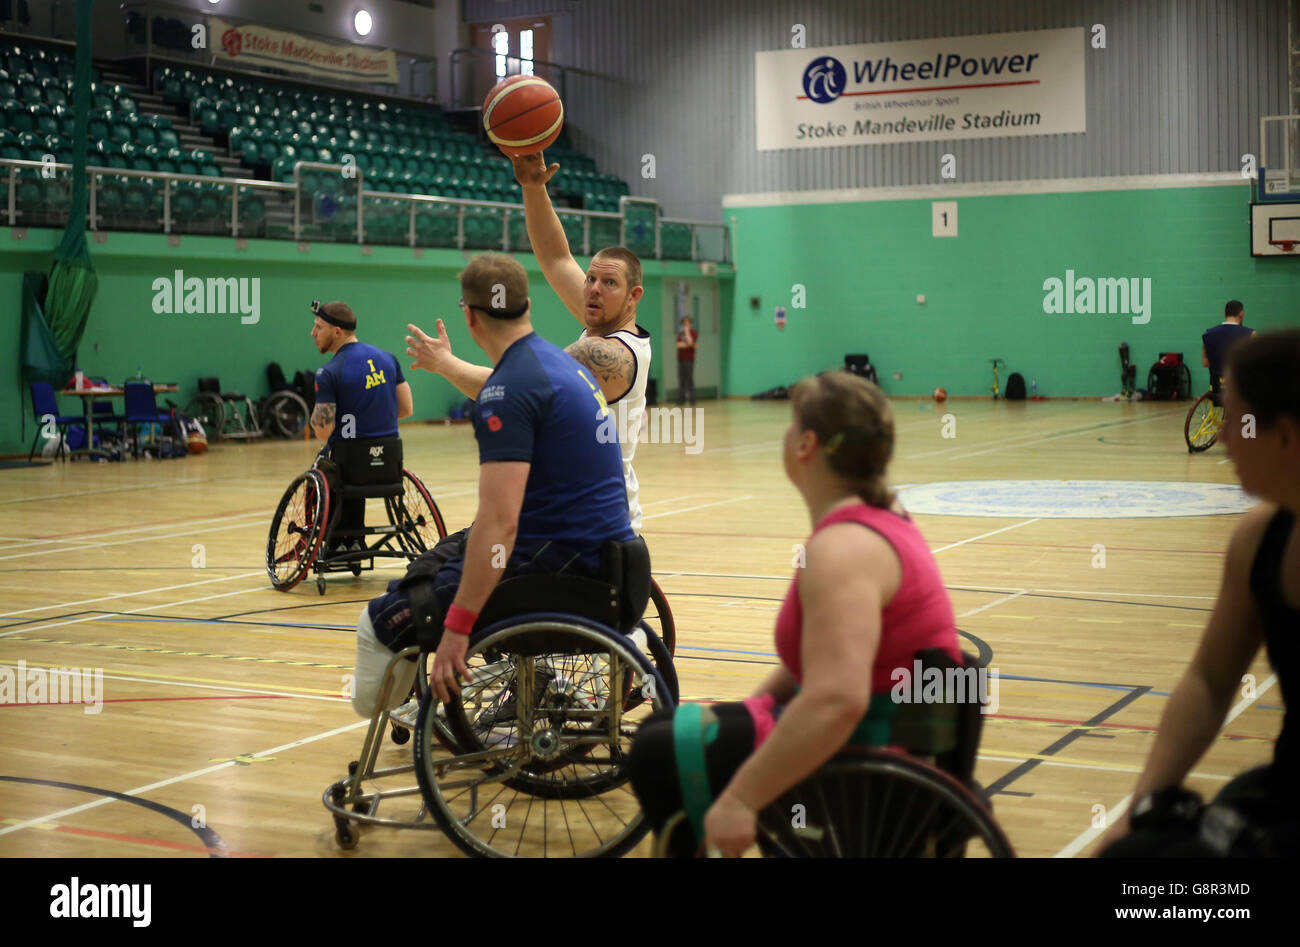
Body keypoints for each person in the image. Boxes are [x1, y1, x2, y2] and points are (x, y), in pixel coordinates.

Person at [626, 371, 962, 857]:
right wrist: (744, 709)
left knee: (657, 755)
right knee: (666, 730)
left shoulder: (845, 549)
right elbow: (814, 662)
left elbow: (838, 700)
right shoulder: (877, 514)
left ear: (806, 444)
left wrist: (741, 798)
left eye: (790, 427)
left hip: (871, 748)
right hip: (881, 725)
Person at [350, 253, 636, 717]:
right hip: (600, 553)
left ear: (469, 315)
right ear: (526, 306)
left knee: (379, 621)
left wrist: (459, 627)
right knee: (424, 568)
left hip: (562, 565)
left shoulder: (509, 390)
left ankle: (388, 710)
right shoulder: (567, 365)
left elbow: (500, 524)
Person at [1096, 329, 1300, 858]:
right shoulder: (1259, 539)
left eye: (1238, 420)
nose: (1223, 436)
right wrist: (1137, 807)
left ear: (1287, 434)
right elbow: (1209, 681)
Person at [407, 152, 652, 533]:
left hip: (585, 520)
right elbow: (556, 257)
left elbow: (509, 390)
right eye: (591, 279)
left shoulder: (607, 353)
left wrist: (445, 363)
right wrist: (534, 188)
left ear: (633, 296)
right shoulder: (601, 320)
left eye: (609, 283)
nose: (593, 289)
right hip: (571, 504)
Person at [310, 301, 413, 553]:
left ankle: (335, 541)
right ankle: (356, 541)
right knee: (353, 460)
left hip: (350, 467)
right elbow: (406, 409)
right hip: (389, 465)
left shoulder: (329, 372)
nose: (312, 333)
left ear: (337, 331)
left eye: (318, 327)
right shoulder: (389, 360)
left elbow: (323, 431)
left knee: (329, 464)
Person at [1201, 300, 1255, 403]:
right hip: (1240, 391)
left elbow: (1205, 363)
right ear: (1241, 313)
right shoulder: (1250, 334)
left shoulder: (1208, 334)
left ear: (1225, 314)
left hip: (1217, 390)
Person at [676, 315, 698, 406]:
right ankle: (681, 399)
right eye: (684, 323)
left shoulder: (693, 333)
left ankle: (692, 399)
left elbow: (691, 342)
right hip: (681, 359)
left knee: (689, 379)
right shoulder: (680, 334)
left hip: (689, 359)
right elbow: (678, 344)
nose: (686, 325)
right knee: (681, 378)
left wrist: (687, 332)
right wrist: (688, 345)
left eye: (687, 323)